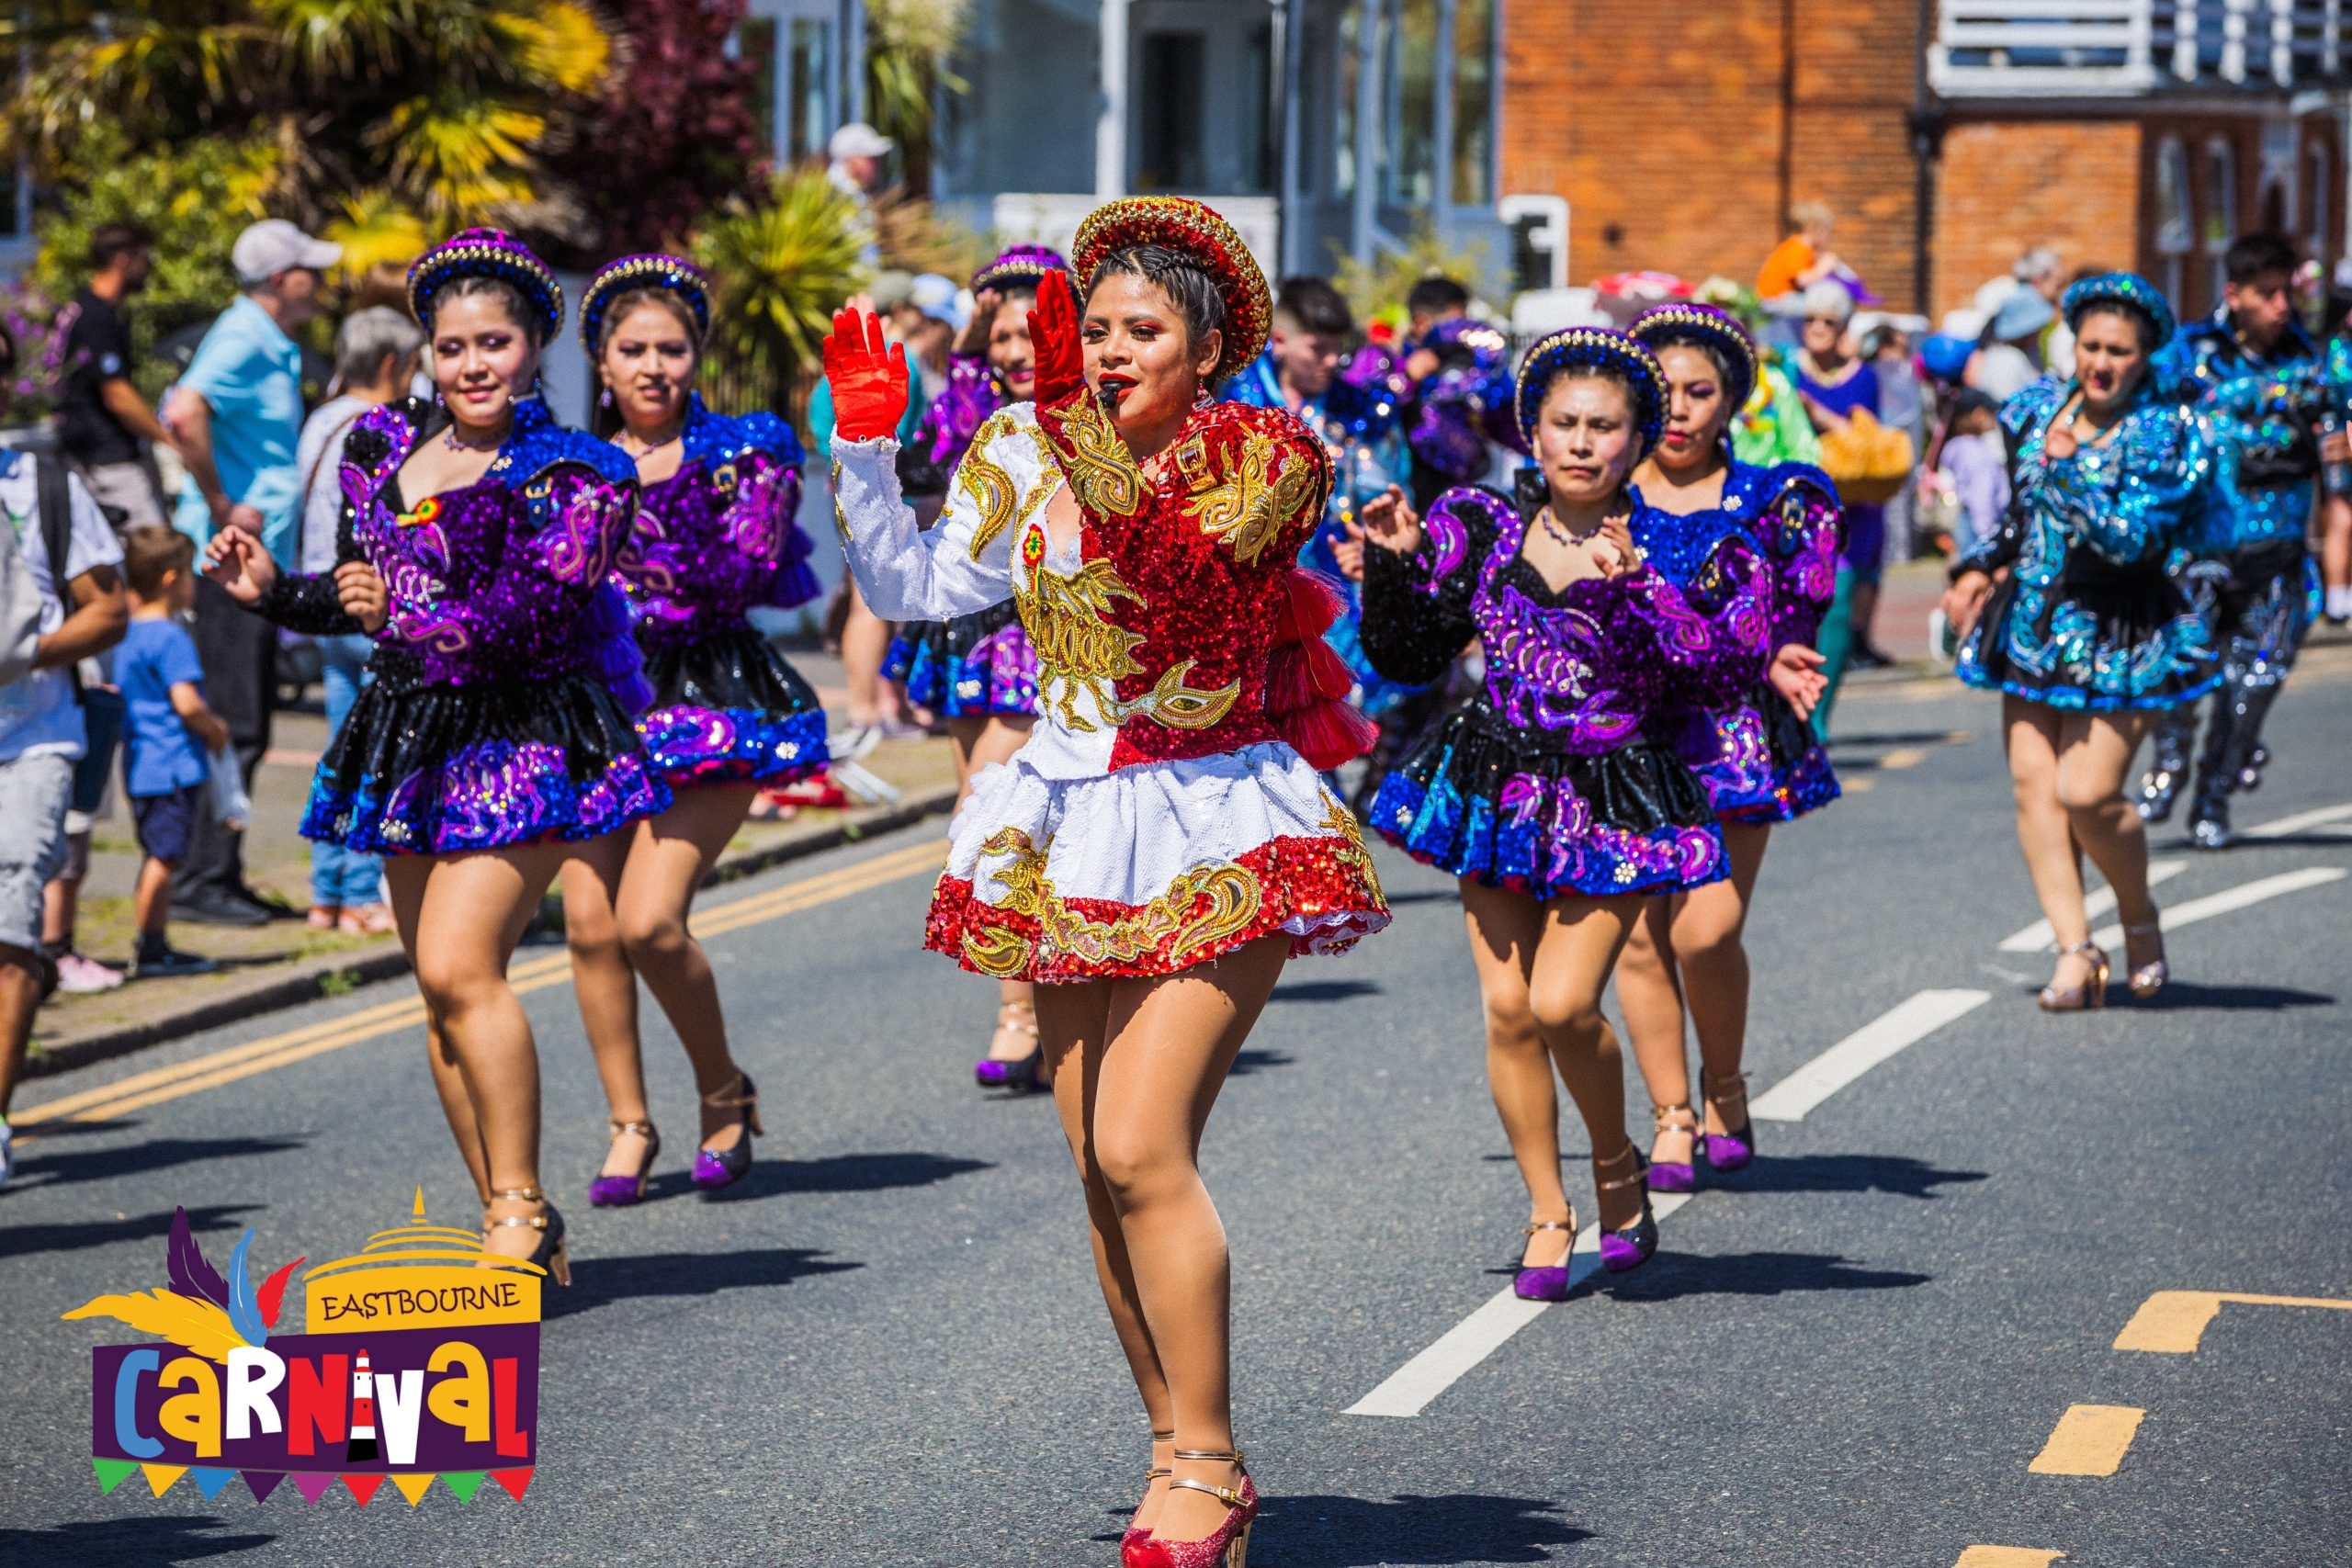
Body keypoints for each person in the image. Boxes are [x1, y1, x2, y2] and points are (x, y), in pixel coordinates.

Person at [824, 196, 1388, 1565]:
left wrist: (1078, 424)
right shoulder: (1018, 443)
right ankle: (1170, 1451)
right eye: (1102, 327)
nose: (1116, 350)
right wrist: (861, 443)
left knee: (1143, 1145)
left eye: (1144, 331)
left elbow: (1183, 583)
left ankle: (1213, 1455)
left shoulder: (1265, 453)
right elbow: (915, 586)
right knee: (1093, 1163)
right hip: (1066, 827)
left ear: (1205, 352)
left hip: (1215, 818)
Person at [206, 229, 667, 1277]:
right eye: (452, 345)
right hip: (411, 734)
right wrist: (277, 591)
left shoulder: (579, 468)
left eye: (495, 342)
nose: (472, 365)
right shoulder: (375, 447)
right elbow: (358, 590)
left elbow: (536, 609)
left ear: (535, 342)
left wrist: (406, 616)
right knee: (438, 987)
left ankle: (514, 1208)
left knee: (465, 966)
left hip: (526, 732)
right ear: (425, 349)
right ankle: (519, 1212)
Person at [1358, 328, 1769, 1297]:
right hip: (1495, 786)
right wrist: (1390, 565)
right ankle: (1549, 1213)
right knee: (1507, 1011)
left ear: (1636, 440)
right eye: (1565, 425)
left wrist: (1645, 592)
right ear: (1531, 435)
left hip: (1610, 794)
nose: (1582, 443)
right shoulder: (1483, 525)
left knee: (1560, 1002)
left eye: (1604, 427)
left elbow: (1725, 672)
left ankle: (1617, 1164)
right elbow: (1406, 656)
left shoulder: (1678, 542)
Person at [562, 253, 828, 1203]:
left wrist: (606, 547)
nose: (651, 367)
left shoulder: (747, 450)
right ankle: (629, 1123)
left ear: (695, 356)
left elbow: (740, 573)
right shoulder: (560, 462)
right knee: (590, 929)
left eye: (670, 349)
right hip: (592, 704)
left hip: (708, 696)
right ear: (599, 362)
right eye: (630, 349)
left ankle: (724, 1093)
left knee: (649, 921)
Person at [1942, 275, 2211, 1009]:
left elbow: (2134, 538)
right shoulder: (2033, 411)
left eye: (2118, 350)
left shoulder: (2167, 430)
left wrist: (2070, 474)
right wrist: (1976, 566)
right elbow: (2020, 517)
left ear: (2145, 354)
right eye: (2089, 345)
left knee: (2088, 792)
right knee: (2036, 789)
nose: (2100, 362)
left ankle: (2139, 919)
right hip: (2031, 620)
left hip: (2122, 627)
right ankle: (2074, 948)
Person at [1616, 304, 1838, 1190]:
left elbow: (1795, 604)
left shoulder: (1772, 498)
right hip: (1622, 741)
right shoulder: (1602, 492)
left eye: (1699, 392)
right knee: (1637, 939)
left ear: (1732, 403)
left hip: (1732, 735)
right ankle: (1672, 1115)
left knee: (1706, 932)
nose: (1678, 410)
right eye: (1662, 391)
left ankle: (1726, 1081)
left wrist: (1786, 649)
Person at [881, 245, 1063, 1089]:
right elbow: (917, 499)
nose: (1015, 350)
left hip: (1053, 637)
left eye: (1032, 331)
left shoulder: (1101, 412)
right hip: (968, 630)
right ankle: (1038, 995)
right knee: (1011, 835)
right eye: (999, 334)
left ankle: (1022, 1013)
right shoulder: (960, 405)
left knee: (986, 814)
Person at [169, 218, 341, 927]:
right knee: (234, 718)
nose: (320, 282)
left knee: (250, 719)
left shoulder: (270, 341)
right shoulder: (244, 335)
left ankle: (222, 870)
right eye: (310, 271)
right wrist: (218, 501)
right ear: (281, 281)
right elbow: (183, 411)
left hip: (256, 563)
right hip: (227, 563)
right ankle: (199, 877)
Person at [2141, 232, 2332, 848]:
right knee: (2182, 669)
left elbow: (2336, 426)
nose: (2281, 305)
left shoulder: (2317, 358)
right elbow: (2155, 421)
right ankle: (2169, 761)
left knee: (2256, 681)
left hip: (2279, 548)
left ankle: (2214, 797)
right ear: (2234, 294)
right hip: (2198, 547)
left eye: (2287, 291)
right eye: (2266, 293)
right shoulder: (2187, 353)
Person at [0, 332, 128, 1186]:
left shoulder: (41, 483)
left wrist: (24, 652)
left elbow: (109, 609)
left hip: (30, 737)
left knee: (9, 930)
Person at [1227, 276, 1425, 807]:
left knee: (1339, 700)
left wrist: (1380, 548)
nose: (1332, 361)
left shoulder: (1364, 411)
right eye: (1319, 348)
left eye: (1339, 349)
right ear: (1282, 340)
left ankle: (1330, 801)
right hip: (1250, 590)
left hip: (1338, 589)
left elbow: (1390, 493)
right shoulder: (1230, 401)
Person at [294, 307, 424, 934]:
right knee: (379, 755)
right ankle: (359, 895)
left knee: (339, 751)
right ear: (396, 363)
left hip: (323, 602)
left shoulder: (320, 420)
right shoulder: (381, 428)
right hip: (370, 604)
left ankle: (326, 896)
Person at [115, 527, 227, 979]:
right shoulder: (171, 637)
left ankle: (153, 942)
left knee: (156, 853)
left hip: (141, 761)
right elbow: (185, 703)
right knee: (164, 858)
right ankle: (152, 947)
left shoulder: (124, 633)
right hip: (172, 764)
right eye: (188, 575)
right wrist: (214, 728)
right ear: (168, 579)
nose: (193, 584)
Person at [1792, 280, 1883, 728]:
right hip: (1800, 510)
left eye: (1828, 321)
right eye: (1810, 319)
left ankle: (1819, 719)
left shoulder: (1863, 376)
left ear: (1844, 326)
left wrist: (1818, 413)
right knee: (1796, 610)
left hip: (1853, 508)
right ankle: (1794, 714)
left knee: (1840, 611)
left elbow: (1866, 439)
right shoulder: (1787, 371)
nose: (1817, 328)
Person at [55, 221, 174, 529]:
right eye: (145, 259)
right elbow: (117, 395)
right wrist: (168, 440)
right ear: (123, 260)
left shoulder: (88, 310)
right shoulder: (94, 317)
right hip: (108, 462)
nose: (148, 269)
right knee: (155, 558)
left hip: (96, 457)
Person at [1398, 276, 1516, 513]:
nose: (1463, 333)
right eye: (1454, 325)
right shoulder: (1394, 368)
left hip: (1472, 492)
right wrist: (1407, 380)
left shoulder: (1475, 366)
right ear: (1422, 324)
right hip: (1415, 500)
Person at [1756, 201, 1847, 302]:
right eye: (1826, 231)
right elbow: (1803, 281)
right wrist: (1822, 267)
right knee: (1827, 306)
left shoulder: (1797, 246)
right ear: (1813, 229)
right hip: (1776, 300)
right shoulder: (1798, 247)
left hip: (1781, 298)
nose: (1828, 236)